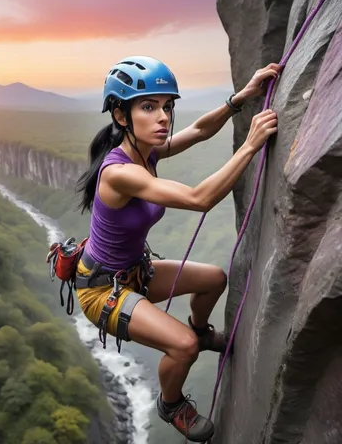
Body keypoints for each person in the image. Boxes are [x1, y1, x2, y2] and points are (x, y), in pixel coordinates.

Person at [74, 55, 280, 442]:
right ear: (121, 116)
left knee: (214, 280)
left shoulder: (145, 152)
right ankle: (170, 404)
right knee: (182, 348)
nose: (163, 117)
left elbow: (200, 130)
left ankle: (201, 331)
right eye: (149, 107)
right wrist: (249, 145)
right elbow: (200, 198)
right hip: (102, 290)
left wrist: (241, 98)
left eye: (167, 106)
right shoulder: (120, 173)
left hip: (133, 272)